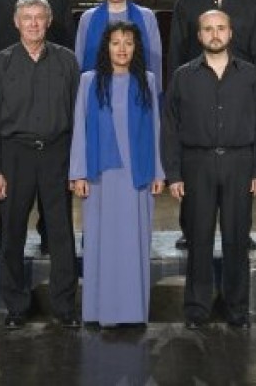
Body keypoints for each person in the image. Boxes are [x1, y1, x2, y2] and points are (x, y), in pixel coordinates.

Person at [162, 9, 256, 329]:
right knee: (198, 238)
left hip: (240, 164)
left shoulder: (251, 75)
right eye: (208, 29)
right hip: (196, 164)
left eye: (220, 28)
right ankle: (197, 308)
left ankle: (236, 307)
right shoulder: (183, 76)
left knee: (236, 238)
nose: (215, 34)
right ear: (199, 36)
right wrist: (173, 174)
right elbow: (170, 127)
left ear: (230, 33)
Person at [168, 0, 256, 250]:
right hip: (196, 90)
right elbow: (176, 50)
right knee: (195, 165)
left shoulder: (251, 1)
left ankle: (241, 230)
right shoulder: (187, 0)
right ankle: (191, 230)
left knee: (239, 168)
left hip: (240, 92)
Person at [0, 0, 80, 329]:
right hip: (14, 155)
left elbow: (78, 117)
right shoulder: (0, 63)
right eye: (27, 17)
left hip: (57, 153)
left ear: (49, 21)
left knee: (61, 233)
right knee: (11, 233)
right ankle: (16, 306)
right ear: (16, 22)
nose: (34, 23)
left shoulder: (68, 61)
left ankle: (65, 306)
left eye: (40, 17)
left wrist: (77, 167)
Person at [0, 0, 74, 253]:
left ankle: (49, 233)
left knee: (55, 196)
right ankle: (6, 234)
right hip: (9, 91)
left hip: (48, 85)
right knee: (13, 199)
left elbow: (67, 44)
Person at [70, 21, 164, 326]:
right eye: (115, 43)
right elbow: (80, 131)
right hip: (101, 176)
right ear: (105, 47)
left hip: (137, 175)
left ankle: (133, 312)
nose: (122, 49)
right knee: (101, 243)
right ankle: (100, 310)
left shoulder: (146, 80)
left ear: (136, 48)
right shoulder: (89, 81)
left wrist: (159, 172)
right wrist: (79, 173)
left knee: (134, 243)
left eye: (128, 43)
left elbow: (156, 129)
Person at [75, 0, 163, 99]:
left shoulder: (147, 16)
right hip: (97, 95)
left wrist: (156, 98)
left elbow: (155, 62)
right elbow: (79, 62)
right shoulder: (87, 18)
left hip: (139, 95)